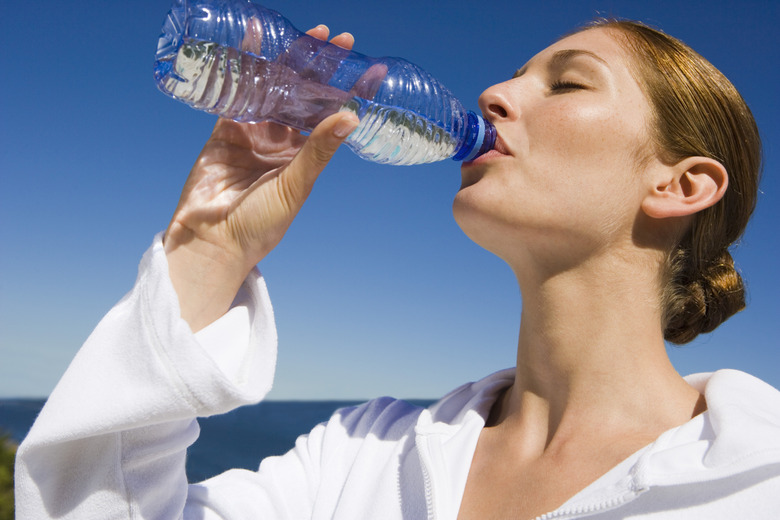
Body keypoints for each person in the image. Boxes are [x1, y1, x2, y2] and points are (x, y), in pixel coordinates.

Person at [15, 19, 780, 520]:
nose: (495, 93)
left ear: (680, 186)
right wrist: (207, 253)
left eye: (568, 82)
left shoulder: (758, 481)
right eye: (514, 73)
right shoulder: (361, 455)